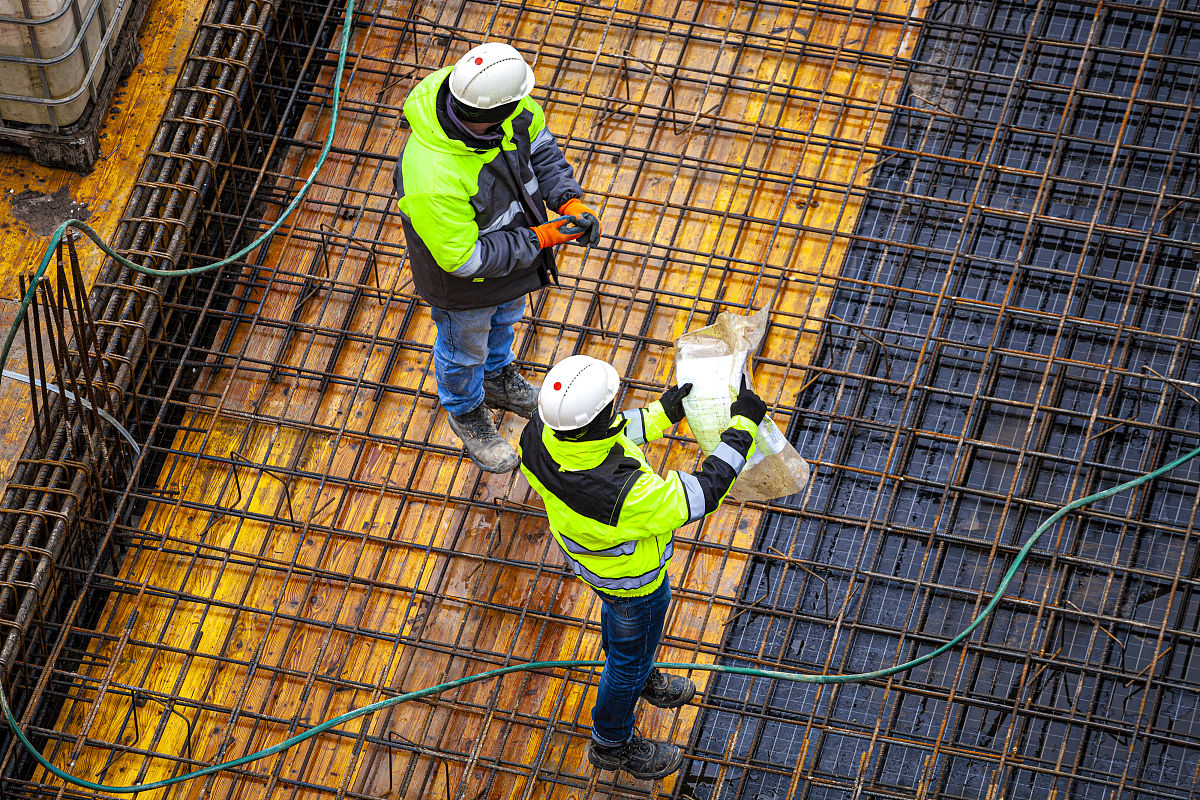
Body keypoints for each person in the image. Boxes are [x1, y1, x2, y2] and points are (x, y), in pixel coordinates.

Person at [518, 355, 767, 780]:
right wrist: (743, 427)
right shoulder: (625, 492)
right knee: (627, 660)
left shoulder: (539, 433)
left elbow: (602, 436)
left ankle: (638, 669)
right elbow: (704, 492)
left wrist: (661, 415)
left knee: (623, 633)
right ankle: (611, 742)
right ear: (601, 414)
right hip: (634, 583)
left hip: (594, 564)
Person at [395, 42, 602, 472]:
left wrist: (567, 200)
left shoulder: (508, 107)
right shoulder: (432, 174)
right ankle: (466, 412)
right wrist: (540, 238)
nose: (525, 104)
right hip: (464, 283)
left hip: (514, 256)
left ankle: (497, 377)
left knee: (505, 318)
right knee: (462, 349)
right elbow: (464, 260)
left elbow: (541, 150)